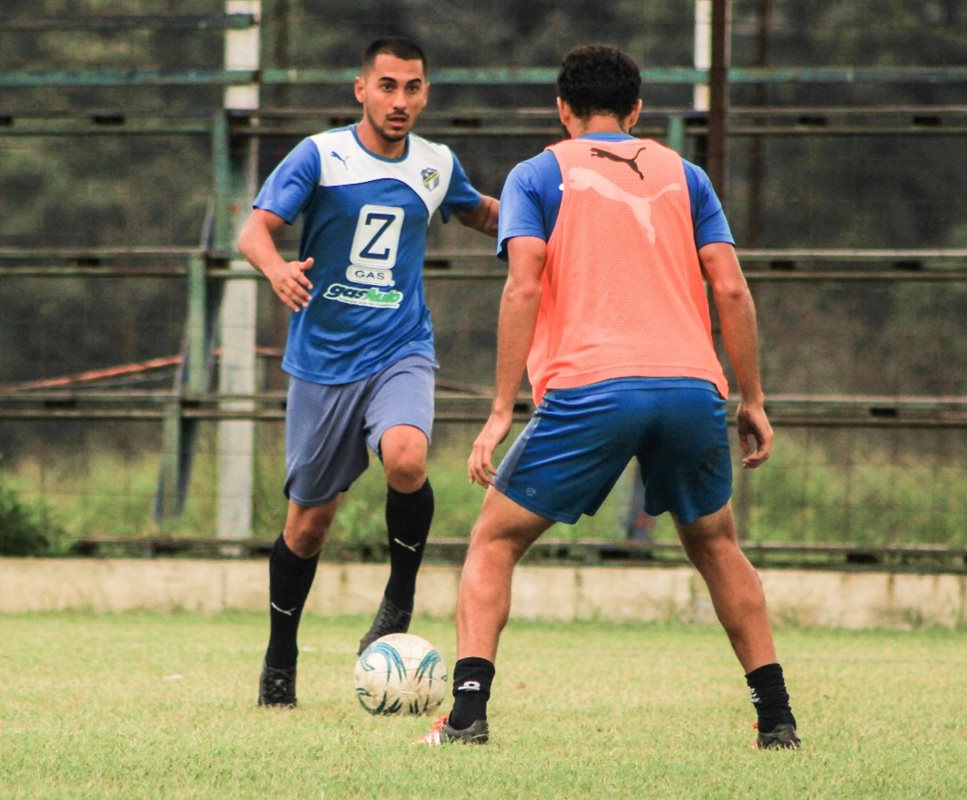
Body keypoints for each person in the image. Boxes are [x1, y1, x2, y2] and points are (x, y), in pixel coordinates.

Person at [417, 44, 799, 749]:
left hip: (592, 389)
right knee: (718, 546)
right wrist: (753, 397)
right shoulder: (686, 176)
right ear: (638, 111)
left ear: (563, 110)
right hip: (690, 388)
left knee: (493, 542)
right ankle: (777, 719)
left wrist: (501, 409)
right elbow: (733, 289)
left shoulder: (538, 174)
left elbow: (523, 284)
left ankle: (467, 716)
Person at [237, 36, 499, 708]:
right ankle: (278, 657)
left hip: (400, 348)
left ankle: (399, 599)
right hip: (323, 364)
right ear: (361, 89)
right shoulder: (321, 155)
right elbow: (255, 229)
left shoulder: (437, 165)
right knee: (307, 528)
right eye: (387, 86)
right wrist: (276, 269)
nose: (400, 101)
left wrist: (545, 228)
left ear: (426, 93)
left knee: (407, 457)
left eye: (413, 87)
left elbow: (480, 213)